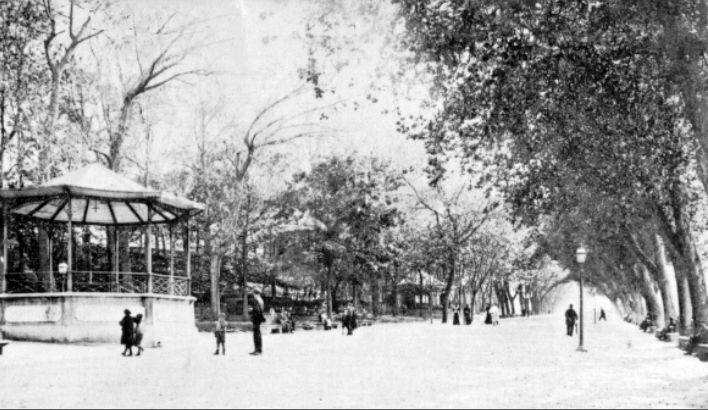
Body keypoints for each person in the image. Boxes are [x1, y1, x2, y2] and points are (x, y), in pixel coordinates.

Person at [248, 289, 265, 356]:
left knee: (256, 334)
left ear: (255, 293)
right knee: (258, 334)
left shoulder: (256, 300)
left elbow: (256, 310)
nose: (253, 295)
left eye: (253, 294)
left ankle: (257, 350)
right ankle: (259, 349)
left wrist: (251, 310)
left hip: (256, 318)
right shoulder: (261, 300)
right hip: (259, 318)